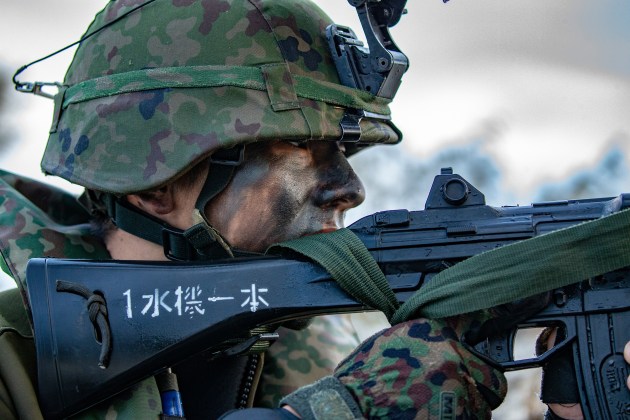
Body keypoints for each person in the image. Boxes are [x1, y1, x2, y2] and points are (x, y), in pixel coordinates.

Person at [0, 0, 627, 419]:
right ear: (154, 183)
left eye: (345, 150)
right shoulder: (14, 364)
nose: (349, 188)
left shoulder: (331, 343)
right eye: (299, 145)